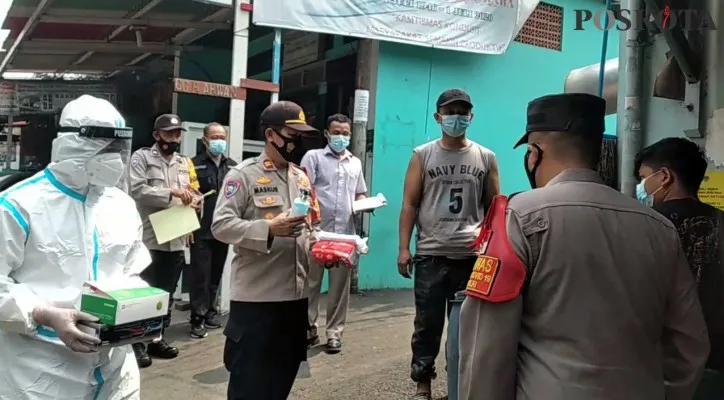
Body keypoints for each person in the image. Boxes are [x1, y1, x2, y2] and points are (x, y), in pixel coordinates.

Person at [458, 93, 710, 400]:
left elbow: (486, 343)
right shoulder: (658, 228)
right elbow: (689, 344)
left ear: (534, 153)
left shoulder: (518, 216)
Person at [0, 95, 150, 399]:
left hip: (114, 368)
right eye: (107, 148)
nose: (116, 159)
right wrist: (43, 314)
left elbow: (131, 269)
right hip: (40, 371)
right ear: (74, 144)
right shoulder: (19, 205)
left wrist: (139, 306)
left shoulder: (121, 205)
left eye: (119, 149)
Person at [212, 100, 320, 400]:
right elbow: (220, 226)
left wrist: (326, 247)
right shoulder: (243, 175)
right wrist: (269, 229)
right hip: (257, 304)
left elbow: (309, 227)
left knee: (281, 383)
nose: (298, 141)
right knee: (249, 388)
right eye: (292, 134)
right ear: (271, 135)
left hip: (295, 300)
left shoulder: (301, 177)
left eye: (302, 134)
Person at [397, 88, 500, 399]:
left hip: (471, 255)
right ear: (438, 117)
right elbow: (409, 204)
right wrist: (404, 247)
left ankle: (464, 384)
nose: (457, 117)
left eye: (462, 111)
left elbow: (495, 207)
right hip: (431, 254)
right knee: (426, 325)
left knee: (470, 326)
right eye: (451, 111)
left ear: (471, 116)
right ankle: (423, 385)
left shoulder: (485, 157)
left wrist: (493, 249)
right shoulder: (422, 155)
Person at [635, 137, 724, 399]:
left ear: (664, 177)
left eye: (643, 177)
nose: (641, 186)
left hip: (660, 366)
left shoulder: (643, 225)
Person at [128, 113, 201, 367]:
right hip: (150, 237)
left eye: (178, 133)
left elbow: (192, 190)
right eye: (169, 133)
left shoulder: (184, 162)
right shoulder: (141, 158)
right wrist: (171, 192)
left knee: (166, 294)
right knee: (144, 292)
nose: (175, 138)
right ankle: (137, 342)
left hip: (177, 236)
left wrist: (195, 202)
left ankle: (157, 339)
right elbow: (137, 191)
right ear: (157, 135)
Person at [301, 113, 367, 354]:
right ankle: (308, 328)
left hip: (345, 235)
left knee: (339, 288)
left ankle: (334, 334)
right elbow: (303, 190)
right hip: (317, 233)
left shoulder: (355, 163)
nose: (341, 137)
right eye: (336, 132)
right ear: (327, 134)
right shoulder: (314, 157)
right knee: (310, 284)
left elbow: (360, 192)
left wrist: (364, 203)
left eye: (345, 133)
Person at [189, 122, 237, 339]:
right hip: (200, 230)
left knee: (215, 274)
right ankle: (196, 318)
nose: (219, 141)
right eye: (214, 137)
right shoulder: (193, 165)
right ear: (205, 140)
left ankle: (209, 311)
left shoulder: (232, 167)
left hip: (223, 230)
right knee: (200, 275)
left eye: (222, 137)